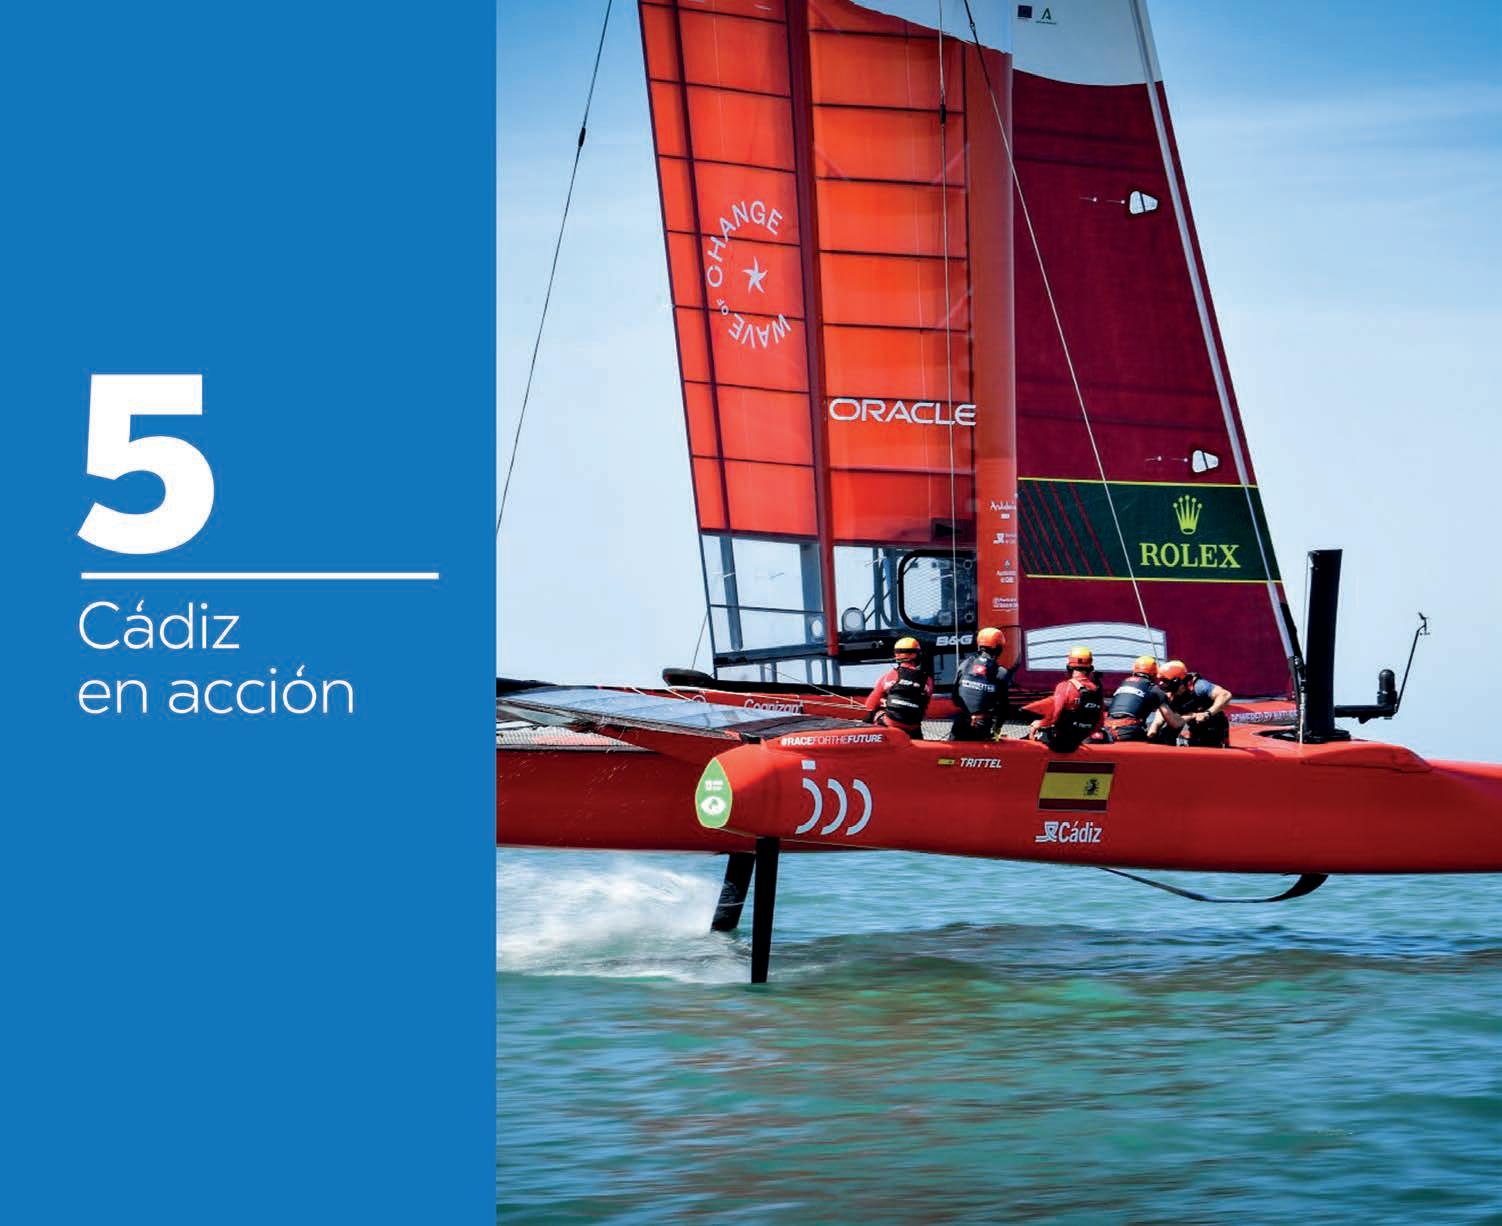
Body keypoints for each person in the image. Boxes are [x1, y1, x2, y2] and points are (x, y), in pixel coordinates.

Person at [1029, 646, 1104, 752]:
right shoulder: (1097, 690)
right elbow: (1100, 721)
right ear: (1090, 668)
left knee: (1032, 733)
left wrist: (1040, 723)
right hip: (1083, 740)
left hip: (1062, 742)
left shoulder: (1065, 686)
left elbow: (1055, 715)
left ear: (1069, 667)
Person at [1150, 660, 1233, 747]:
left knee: (1207, 741)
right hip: (1193, 726)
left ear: (1175, 680)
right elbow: (1161, 717)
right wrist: (1154, 729)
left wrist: (1207, 713)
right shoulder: (1168, 694)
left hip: (1213, 726)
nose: (1160, 683)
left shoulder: (1199, 686)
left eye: (1164, 680)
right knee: (1165, 736)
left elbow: (1226, 695)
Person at [862, 636, 933, 739]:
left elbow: (869, 705)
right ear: (917, 655)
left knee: (871, 714)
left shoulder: (889, 676)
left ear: (897, 655)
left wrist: (885, 702)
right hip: (913, 728)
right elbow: (924, 703)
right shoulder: (928, 680)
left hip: (890, 724)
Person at [1103, 655, 1185, 743]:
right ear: (1154, 673)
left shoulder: (1124, 683)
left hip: (1108, 730)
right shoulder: (1154, 689)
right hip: (1129, 732)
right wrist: (1189, 717)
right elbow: (1174, 724)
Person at [950, 626, 1012, 741]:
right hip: (981, 728)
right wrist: (997, 727)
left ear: (979, 646)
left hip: (960, 725)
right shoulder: (1001, 673)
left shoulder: (965, 664)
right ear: (999, 649)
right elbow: (1003, 708)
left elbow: (954, 697)